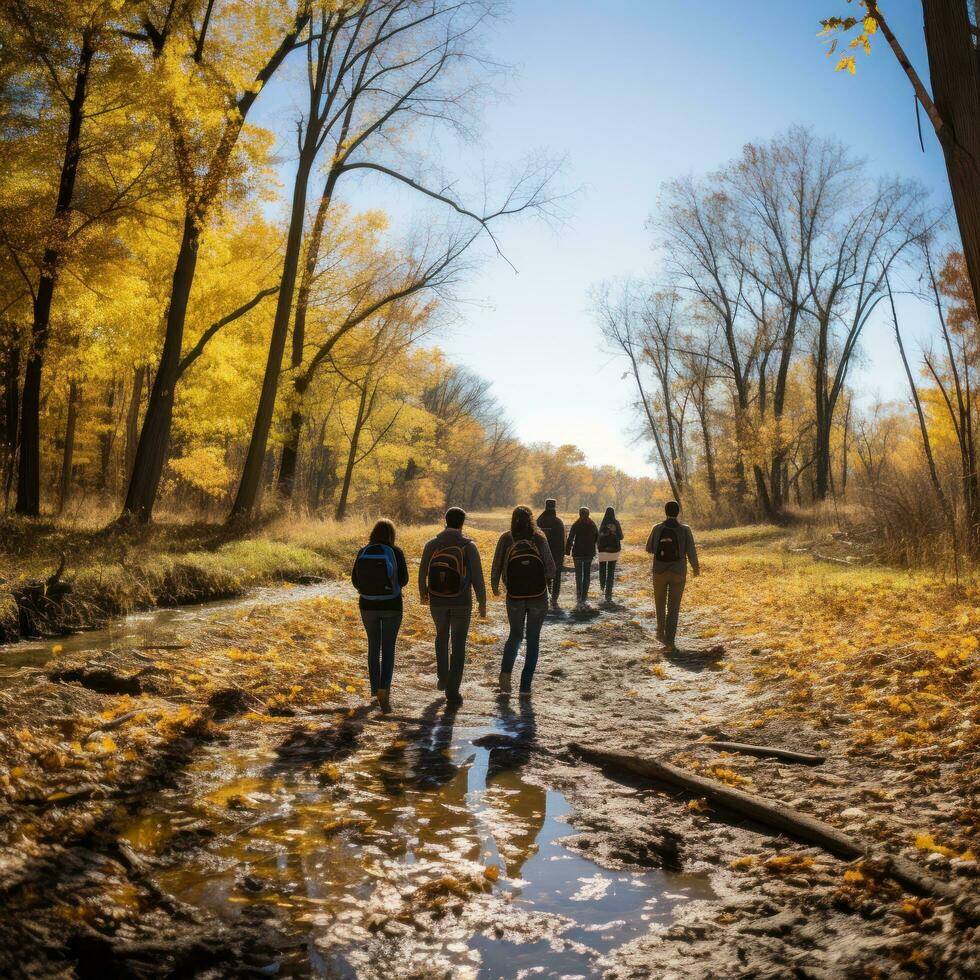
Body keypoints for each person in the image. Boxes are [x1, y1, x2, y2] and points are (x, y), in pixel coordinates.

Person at [419, 507, 487, 708]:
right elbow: (477, 577)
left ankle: (442, 676)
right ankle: (452, 690)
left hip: (437, 599)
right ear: (462, 523)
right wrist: (482, 603)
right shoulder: (468, 546)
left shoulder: (432, 544)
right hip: (461, 601)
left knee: (441, 635)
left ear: (445, 521)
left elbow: (423, 571)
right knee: (458, 644)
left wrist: (424, 593)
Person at [491, 505, 556, 695]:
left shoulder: (505, 538)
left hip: (514, 596)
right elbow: (551, 569)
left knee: (515, 635)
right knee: (533, 639)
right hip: (538, 596)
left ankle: (505, 677)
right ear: (531, 519)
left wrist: (496, 586)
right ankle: (525, 686)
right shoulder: (539, 538)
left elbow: (496, 565)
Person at [351, 519, 409, 714]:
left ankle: (375, 690)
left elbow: (354, 581)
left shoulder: (363, 551)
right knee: (388, 647)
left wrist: (368, 590)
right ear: (392, 534)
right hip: (392, 605)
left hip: (367, 605)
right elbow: (404, 580)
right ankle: (385, 689)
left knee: (373, 646)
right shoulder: (396, 552)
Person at [645, 500, 700, 652]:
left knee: (660, 604)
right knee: (674, 607)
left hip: (659, 572)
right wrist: (696, 568)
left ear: (665, 511)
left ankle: (660, 634)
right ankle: (671, 639)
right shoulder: (685, 530)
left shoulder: (657, 528)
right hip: (678, 573)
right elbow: (691, 551)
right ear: (678, 512)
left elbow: (649, 548)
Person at [536, 498, 566, 611]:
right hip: (556, 555)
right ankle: (554, 600)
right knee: (556, 577)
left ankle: (544, 599)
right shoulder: (558, 522)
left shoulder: (539, 521)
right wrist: (562, 555)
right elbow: (563, 541)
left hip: (541, 555)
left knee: (544, 577)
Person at [565, 506, 599, 607]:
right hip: (588, 553)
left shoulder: (576, 524)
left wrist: (567, 550)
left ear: (579, 513)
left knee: (579, 576)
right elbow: (597, 538)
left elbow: (570, 538)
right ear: (588, 513)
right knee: (587, 575)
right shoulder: (592, 524)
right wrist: (594, 546)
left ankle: (579, 596)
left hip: (578, 553)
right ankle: (584, 597)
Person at [596, 506, 624, 603]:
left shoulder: (603, 523)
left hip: (603, 550)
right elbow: (621, 536)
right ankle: (608, 594)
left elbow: (599, 537)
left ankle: (602, 589)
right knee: (611, 572)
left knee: (602, 571)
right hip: (613, 551)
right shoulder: (616, 523)